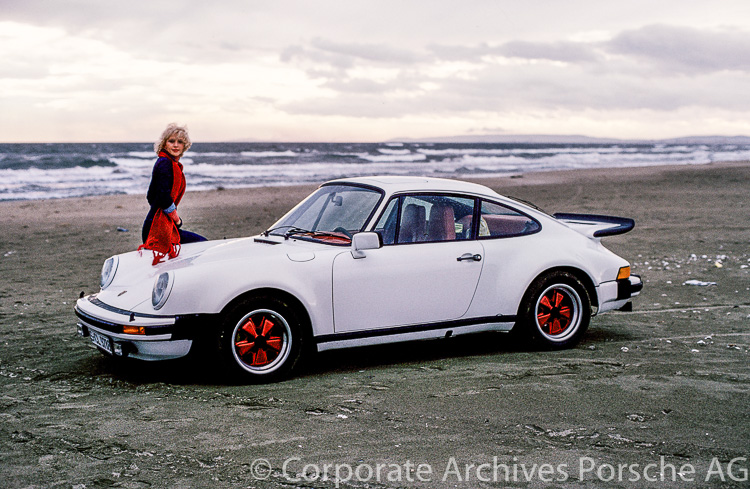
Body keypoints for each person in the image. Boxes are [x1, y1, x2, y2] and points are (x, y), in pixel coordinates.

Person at [140, 123, 206, 264]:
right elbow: (163, 197)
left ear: (185, 146)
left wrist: (164, 216)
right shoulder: (165, 163)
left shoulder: (168, 163)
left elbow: (151, 196)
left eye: (180, 142)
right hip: (157, 229)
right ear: (164, 143)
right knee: (203, 245)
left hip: (156, 224)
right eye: (171, 141)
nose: (176, 145)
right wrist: (176, 219)